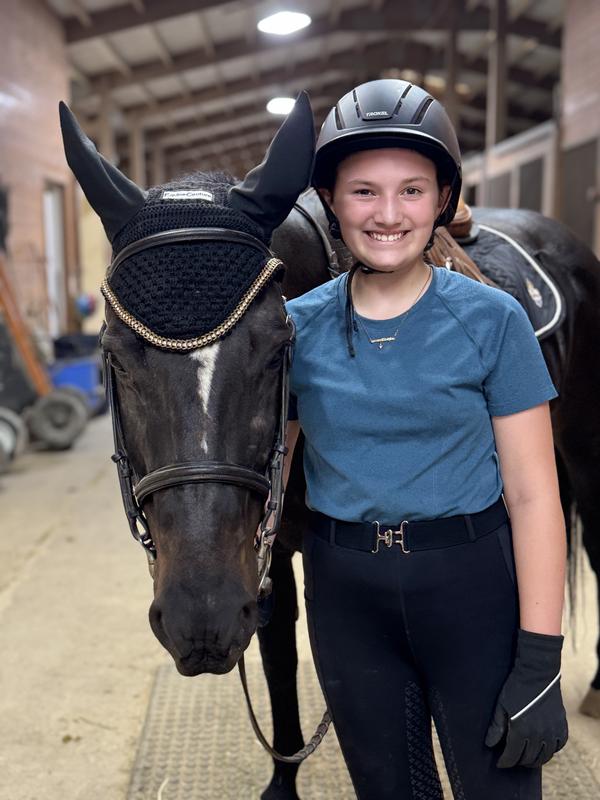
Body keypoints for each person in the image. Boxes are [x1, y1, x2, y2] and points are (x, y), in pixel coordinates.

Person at [282, 79, 568, 800]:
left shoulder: (493, 320)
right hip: (345, 599)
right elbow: (272, 469)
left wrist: (540, 660)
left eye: (411, 190)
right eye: (363, 192)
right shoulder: (295, 329)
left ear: (443, 199)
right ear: (331, 202)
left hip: (471, 587)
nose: (387, 214)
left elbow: (534, 496)